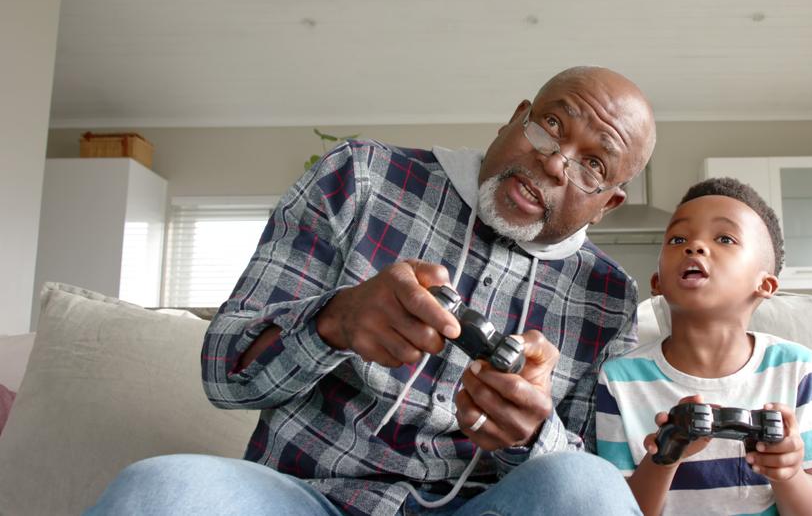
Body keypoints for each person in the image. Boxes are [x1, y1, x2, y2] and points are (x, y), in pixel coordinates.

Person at [87, 66, 656, 516]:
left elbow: (586, 478)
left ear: (607, 205)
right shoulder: (361, 177)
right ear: (515, 118)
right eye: (551, 126)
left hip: (483, 508)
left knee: (588, 485)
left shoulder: (607, 296)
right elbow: (224, 374)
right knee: (157, 490)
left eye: (593, 164)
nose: (554, 162)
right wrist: (333, 322)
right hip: (302, 498)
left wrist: (530, 436)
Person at [594, 178, 812, 516]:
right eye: (678, 239)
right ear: (657, 282)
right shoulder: (619, 379)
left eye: (724, 238)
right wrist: (664, 456)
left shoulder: (799, 370)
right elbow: (623, 510)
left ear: (764, 284)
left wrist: (787, 472)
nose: (695, 247)